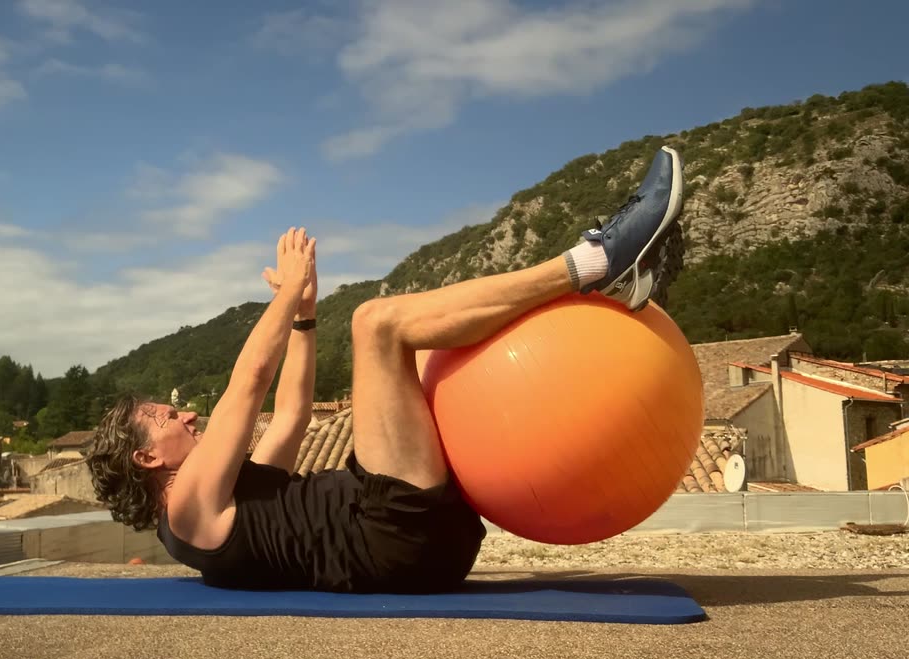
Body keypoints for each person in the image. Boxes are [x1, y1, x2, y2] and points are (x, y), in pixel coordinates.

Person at [87, 146, 685, 593]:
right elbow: (249, 385)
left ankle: (605, 272)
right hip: (394, 535)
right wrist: (284, 290)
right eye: (167, 416)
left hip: (405, 528)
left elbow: (292, 411)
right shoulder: (186, 513)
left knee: (426, 341)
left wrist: (304, 313)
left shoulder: (228, 497)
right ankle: (596, 262)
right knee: (377, 324)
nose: (187, 412)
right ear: (147, 458)